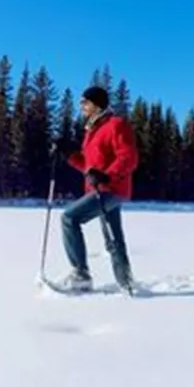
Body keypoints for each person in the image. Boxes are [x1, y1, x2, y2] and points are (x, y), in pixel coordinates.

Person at [49, 85, 139, 292]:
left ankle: (81, 275)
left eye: (85, 102)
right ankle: (126, 283)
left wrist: (108, 174)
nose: (81, 106)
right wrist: (68, 154)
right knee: (113, 238)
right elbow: (89, 167)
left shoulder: (116, 124)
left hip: (111, 188)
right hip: (99, 189)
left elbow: (129, 157)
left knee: (69, 218)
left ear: (97, 105)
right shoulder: (92, 131)